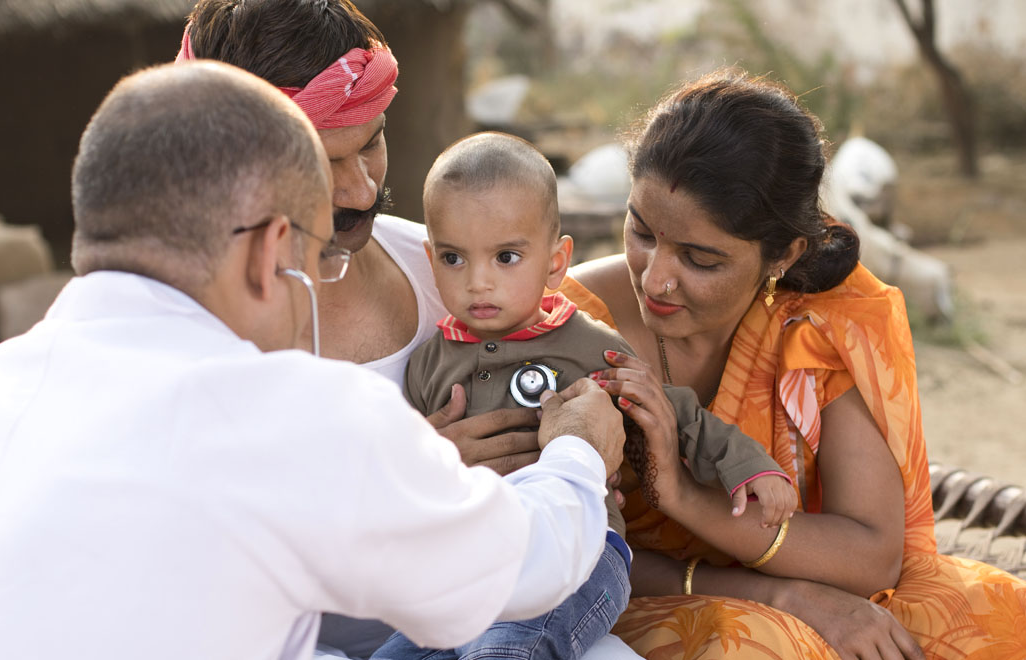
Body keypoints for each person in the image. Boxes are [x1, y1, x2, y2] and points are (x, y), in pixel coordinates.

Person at [0, 61, 630, 660]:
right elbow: (526, 567)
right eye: (318, 254)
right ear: (269, 253)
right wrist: (576, 454)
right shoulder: (280, 412)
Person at [175, 3, 644, 658]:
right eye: (324, 162)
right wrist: (406, 483)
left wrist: (586, 451)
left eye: (371, 143)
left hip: (491, 612)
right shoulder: (180, 331)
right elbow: (196, 560)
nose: (361, 187)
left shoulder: (449, 269)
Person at [561, 68, 1026, 660]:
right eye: (641, 231)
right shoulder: (567, 326)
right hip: (623, 599)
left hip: (810, 581)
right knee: (746, 644)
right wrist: (786, 597)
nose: (655, 278)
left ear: (784, 254)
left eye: (701, 259)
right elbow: (559, 554)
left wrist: (686, 499)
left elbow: (871, 554)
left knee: (995, 617)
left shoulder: (819, 322)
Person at [370, 131, 797, 660]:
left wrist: (749, 467)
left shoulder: (589, 345)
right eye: (455, 259)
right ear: (431, 259)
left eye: (505, 257)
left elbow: (675, 410)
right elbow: (405, 468)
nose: (478, 282)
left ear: (555, 262)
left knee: (509, 649)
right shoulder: (430, 362)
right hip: (472, 561)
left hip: (581, 556)